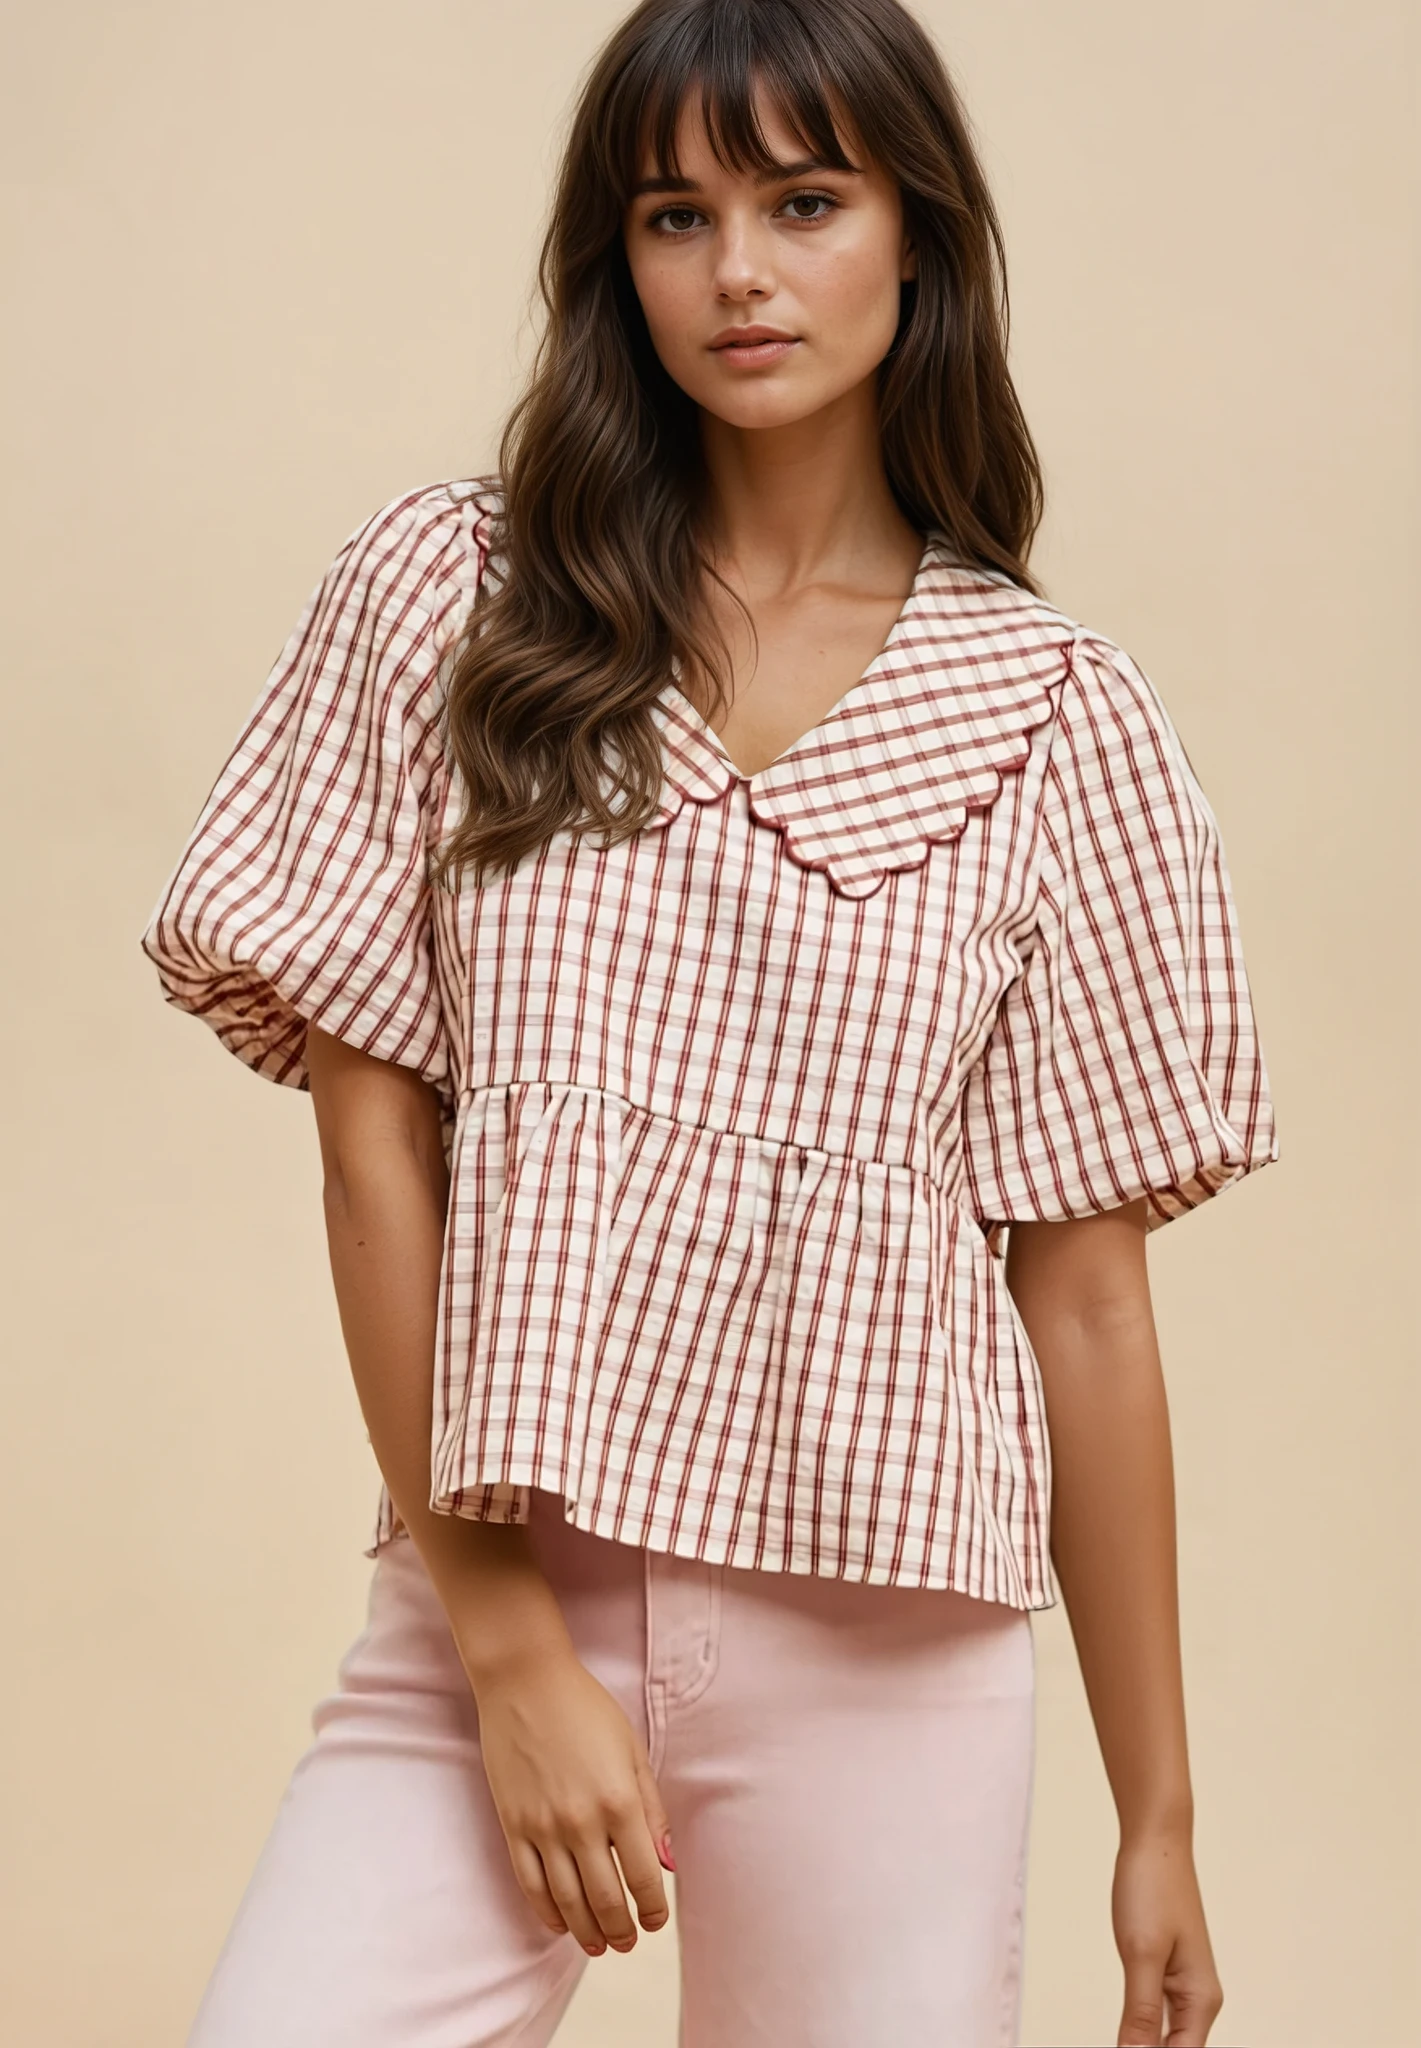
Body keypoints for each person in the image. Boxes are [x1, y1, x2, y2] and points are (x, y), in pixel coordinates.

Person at [140, 0, 1279, 2042]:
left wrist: (1157, 1810)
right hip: (501, 1586)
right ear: (618, 259)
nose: (737, 270)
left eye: (804, 200)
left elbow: (1085, 1301)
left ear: (914, 238)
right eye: (675, 213)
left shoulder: (1054, 720)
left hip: (889, 1651)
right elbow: (370, 1145)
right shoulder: (455, 597)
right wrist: (500, 1646)